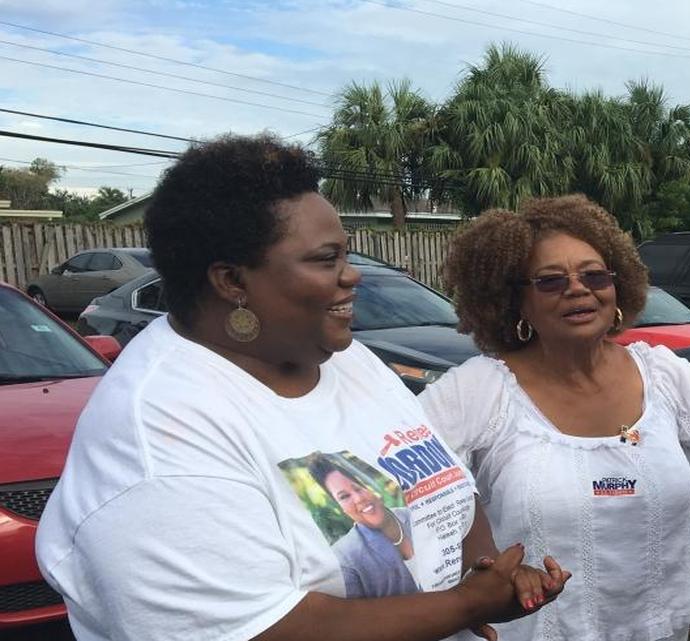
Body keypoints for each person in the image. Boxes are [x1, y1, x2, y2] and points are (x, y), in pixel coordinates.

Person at [34, 134, 568, 641]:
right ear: (232, 281)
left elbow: (442, 479)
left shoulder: (345, 359)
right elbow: (268, 630)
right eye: (325, 258)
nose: (351, 274)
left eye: (346, 254)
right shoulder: (159, 438)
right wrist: (472, 602)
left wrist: (481, 570)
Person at [418, 194, 690, 641]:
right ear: (513, 301)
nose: (577, 289)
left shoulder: (662, 375)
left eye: (594, 275)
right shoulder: (480, 388)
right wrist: (484, 566)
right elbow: (412, 487)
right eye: (549, 281)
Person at [309, 454, 419, 598]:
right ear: (339, 507)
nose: (359, 498)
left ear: (369, 486)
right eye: (344, 497)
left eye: (358, 488)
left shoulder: (416, 516)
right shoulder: (345, 558)